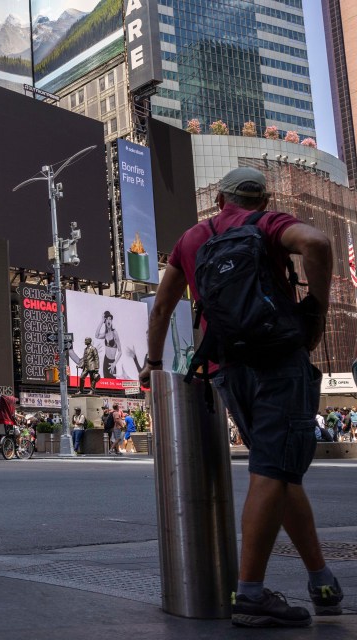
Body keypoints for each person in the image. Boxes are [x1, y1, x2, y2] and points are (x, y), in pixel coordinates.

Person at [139, 167, 342, 627]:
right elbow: (319, 243)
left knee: (279, 469)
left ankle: (322, 581)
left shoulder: (192, 239)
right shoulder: (268, 225)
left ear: (220, 201)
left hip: (227, 368)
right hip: (277, 361)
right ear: (264, 199)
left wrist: (153, 364)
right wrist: (317, 310)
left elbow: (162, 308)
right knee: (273, 468)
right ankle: (250, 595)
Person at [95, 311, 122, 378]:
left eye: (110, 319)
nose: (108, 320)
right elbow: (96, 335)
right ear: (105, 322)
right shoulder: (105, 334)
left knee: (112, 383)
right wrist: (101, 321)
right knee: (106, 383)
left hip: (112, 362)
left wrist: (114, 363)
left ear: (111, 321)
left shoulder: (114, 333)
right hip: (106, 361)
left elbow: (120, 351)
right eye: (107, 319)